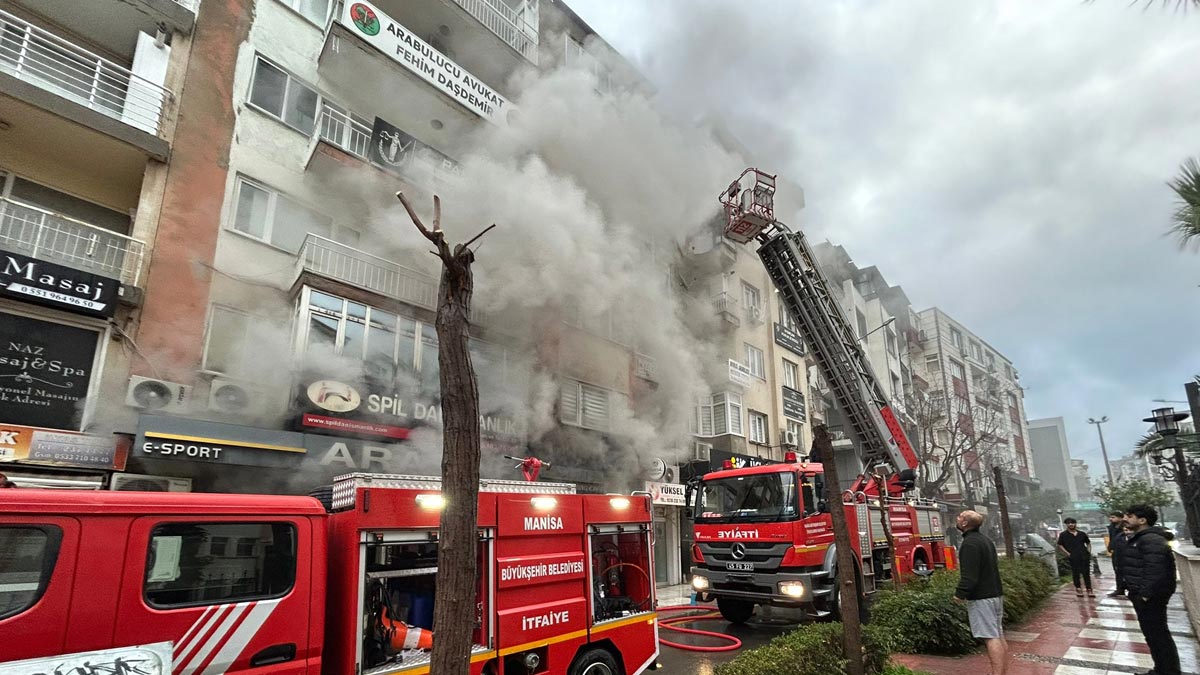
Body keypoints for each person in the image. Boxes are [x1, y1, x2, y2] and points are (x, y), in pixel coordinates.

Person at [1123, 504, 1180, 675]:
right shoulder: (1142, 538)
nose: (1125, 519)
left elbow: (1155, 569)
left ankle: (1168, 671)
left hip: (1150, 596)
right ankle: (1162, 669)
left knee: (1158, 636)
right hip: (1144, 594)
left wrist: (1145, 595)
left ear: (1142, 520)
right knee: (1154, 635)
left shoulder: (1150, 539)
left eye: (1130, 516)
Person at [953, 510, 1006, 675]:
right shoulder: (986, 540)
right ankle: (1002, 671)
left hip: (982, 597)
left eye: (960, 516)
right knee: (998, 634)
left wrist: (959, 594)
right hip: (995, 594)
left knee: (990, 637)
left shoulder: (969, 544)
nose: (957, 517)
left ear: (965, 524)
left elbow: (970, 575)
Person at [1057, 518, 1093, 597]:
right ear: (1066, 525)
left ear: (1075, 524)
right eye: (1068, 523)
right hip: (1073, 556)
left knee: (1086, 573)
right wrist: (1067, 553)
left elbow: (1088, 543)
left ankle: (1089, 589)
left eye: (1072, 523)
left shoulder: (1082, 534)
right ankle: (1078, 588)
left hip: (1084, 556)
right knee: (1075, 573)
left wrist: (1088, 552)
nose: (1070, 524)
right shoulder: (1063, 535)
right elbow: (1060, 544)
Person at [1107, 511, 1129, 598]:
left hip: (1125, 551)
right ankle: (1120, 589)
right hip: (1116, 552)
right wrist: (1110, 546)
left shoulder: (1126, 527)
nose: (1111, 519)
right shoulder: (1112, 527)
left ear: (1120, 518)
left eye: (1113, 517)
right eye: (1110, 517)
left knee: (1127, 571)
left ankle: (1131, 589)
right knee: (1117, 570)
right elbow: (1111, 538)